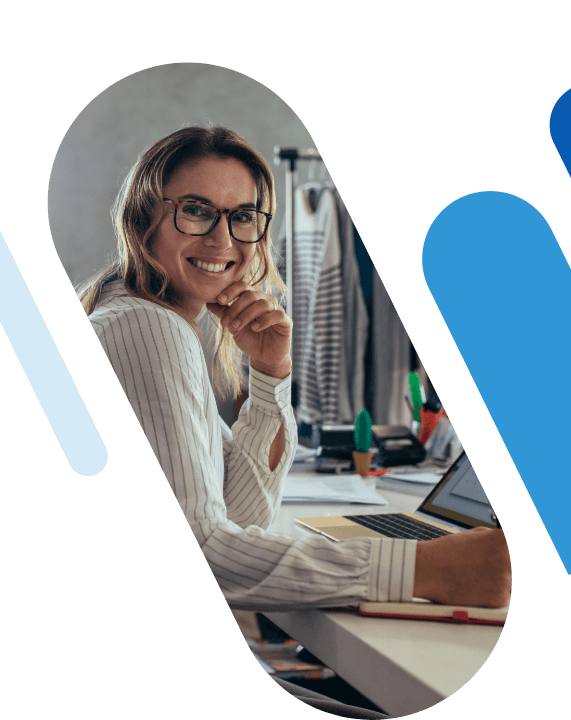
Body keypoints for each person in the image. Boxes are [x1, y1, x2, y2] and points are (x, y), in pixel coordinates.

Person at [77, 125, 510, 715]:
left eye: (243, 216)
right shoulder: (145, 329)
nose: (223, 237)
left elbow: (241, 516)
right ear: (143, 216)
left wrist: (271, 376)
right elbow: (206, 549)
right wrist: (424, 567)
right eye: (196, 210)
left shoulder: (152, 319)